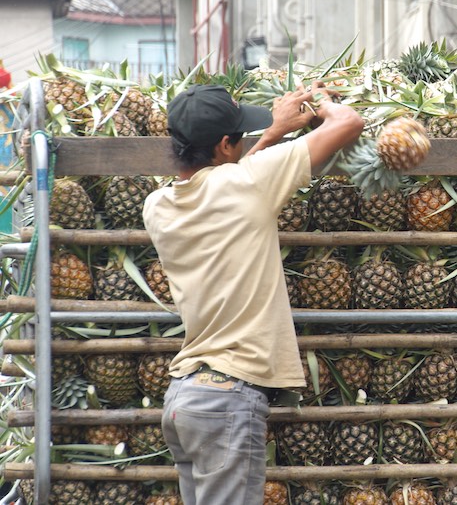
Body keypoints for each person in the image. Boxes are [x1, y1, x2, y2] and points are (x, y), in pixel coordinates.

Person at [143, 82, 363, 504]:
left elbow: (232, 180)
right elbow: (349, 124)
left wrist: (269, 136)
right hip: (227, 399)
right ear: (226, 145)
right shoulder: (248, 183)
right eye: (238, 138)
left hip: (185, 399)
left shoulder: (157, 206)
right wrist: (322, 103)